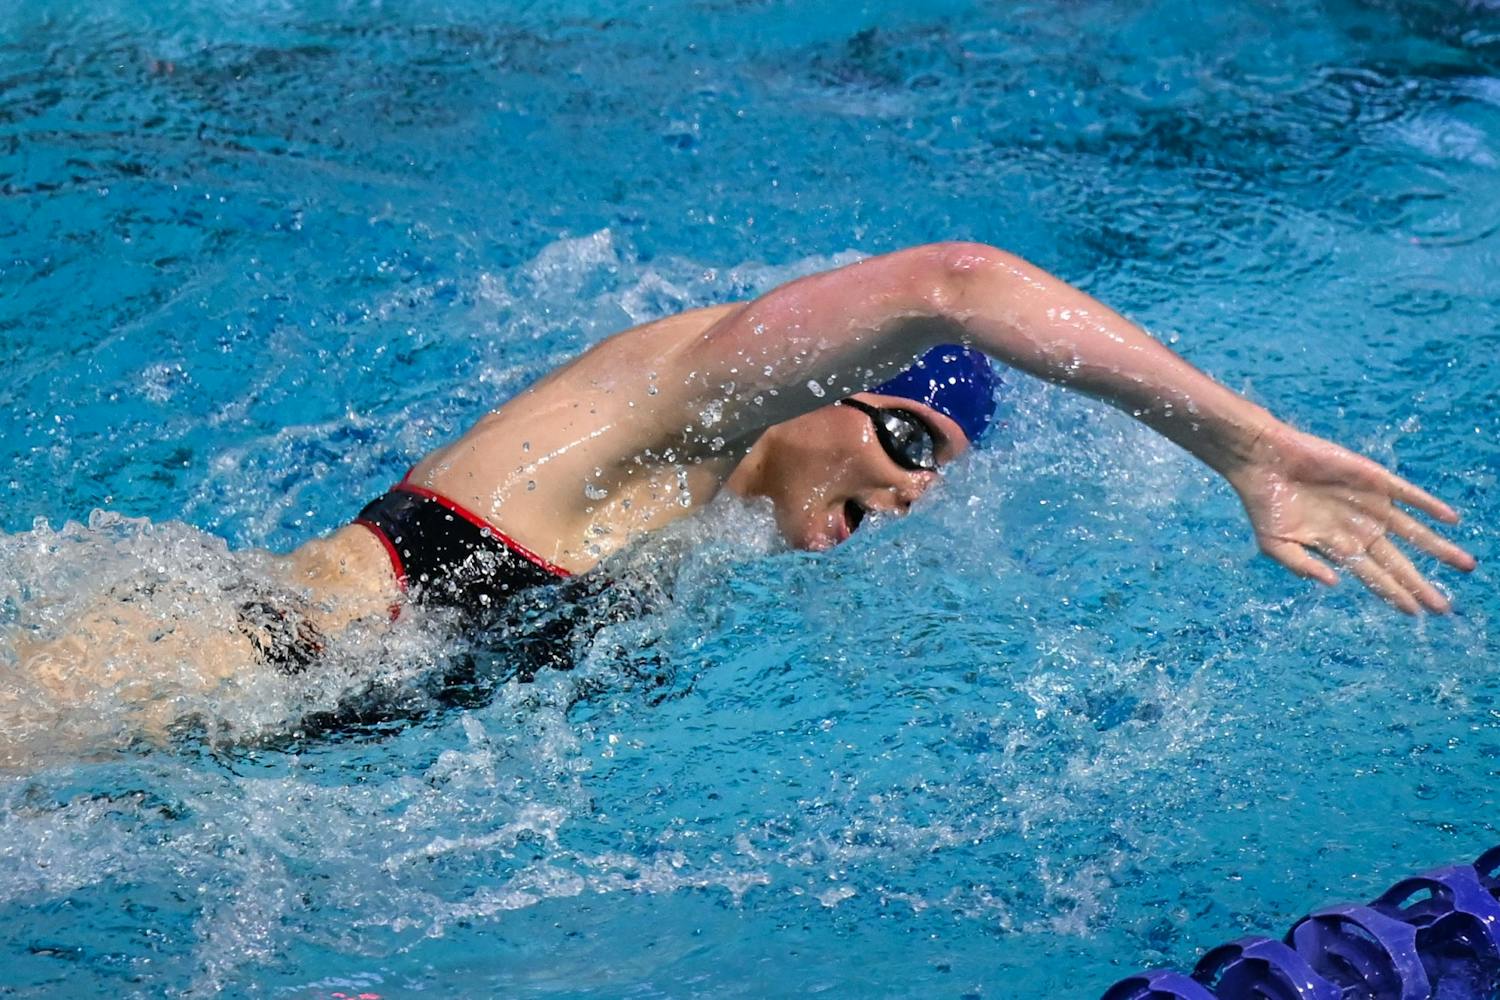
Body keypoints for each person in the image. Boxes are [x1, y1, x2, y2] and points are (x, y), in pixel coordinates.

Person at [9, 242, 1478, 752]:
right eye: (915, 452)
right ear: (835, 395)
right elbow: (956, 285)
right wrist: (1248, 449)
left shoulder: (695, 516)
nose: (912, 500)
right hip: (204, 657)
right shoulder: (680, 411)